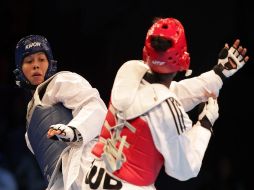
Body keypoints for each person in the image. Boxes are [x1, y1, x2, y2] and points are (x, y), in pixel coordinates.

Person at [84, 18, 249, 189]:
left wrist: (219, 74)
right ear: (185, 62)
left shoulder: (128, 70)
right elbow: (184, 169)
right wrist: (205, 124)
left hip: (90, 176)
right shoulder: (167, 110)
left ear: (145, 54)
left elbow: (165, 95)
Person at [13, 34, 107, 190]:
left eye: (41, 60)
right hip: (63, 181)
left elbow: (94, 106)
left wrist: (74, 131)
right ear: (19, 70)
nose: (36, 65)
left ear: (50, 64)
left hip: (88, 162)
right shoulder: (30, 126)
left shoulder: (61, 81)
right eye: (29, 61)